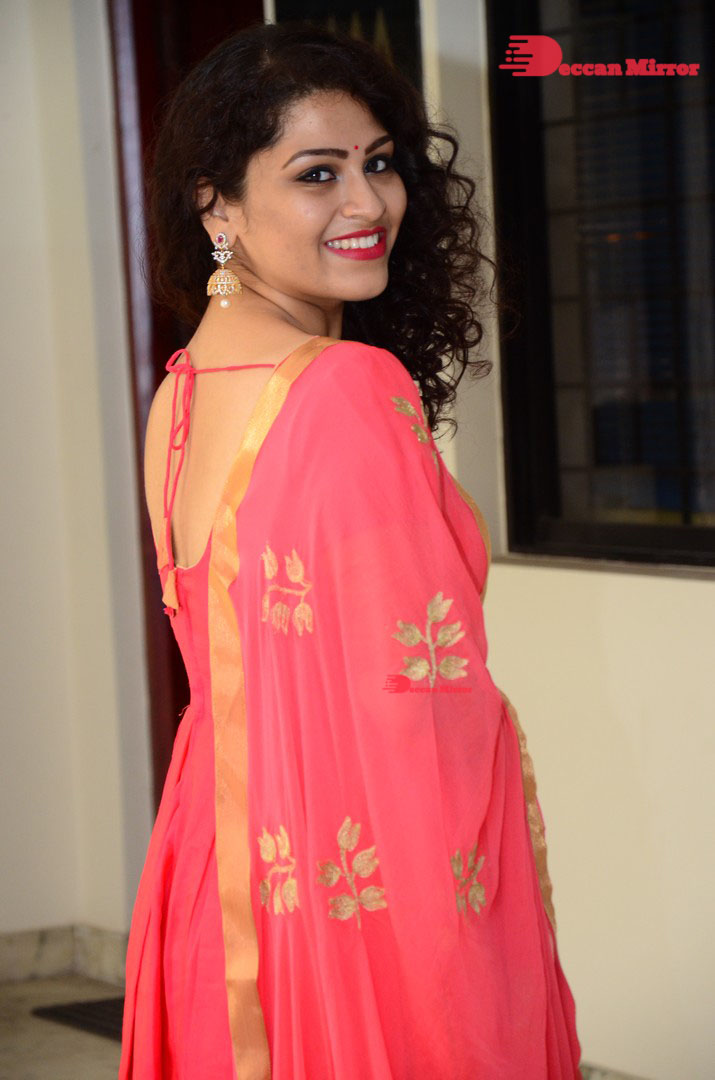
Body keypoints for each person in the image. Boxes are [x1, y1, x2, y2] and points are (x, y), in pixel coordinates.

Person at [119, 19, 582, 1080]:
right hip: (349, 889)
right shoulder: (342, 387)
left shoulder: (184, 389)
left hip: (216, 867)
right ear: (216, 205)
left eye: (378, 163)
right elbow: (414, 704)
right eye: (316, 174)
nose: (368, 203)